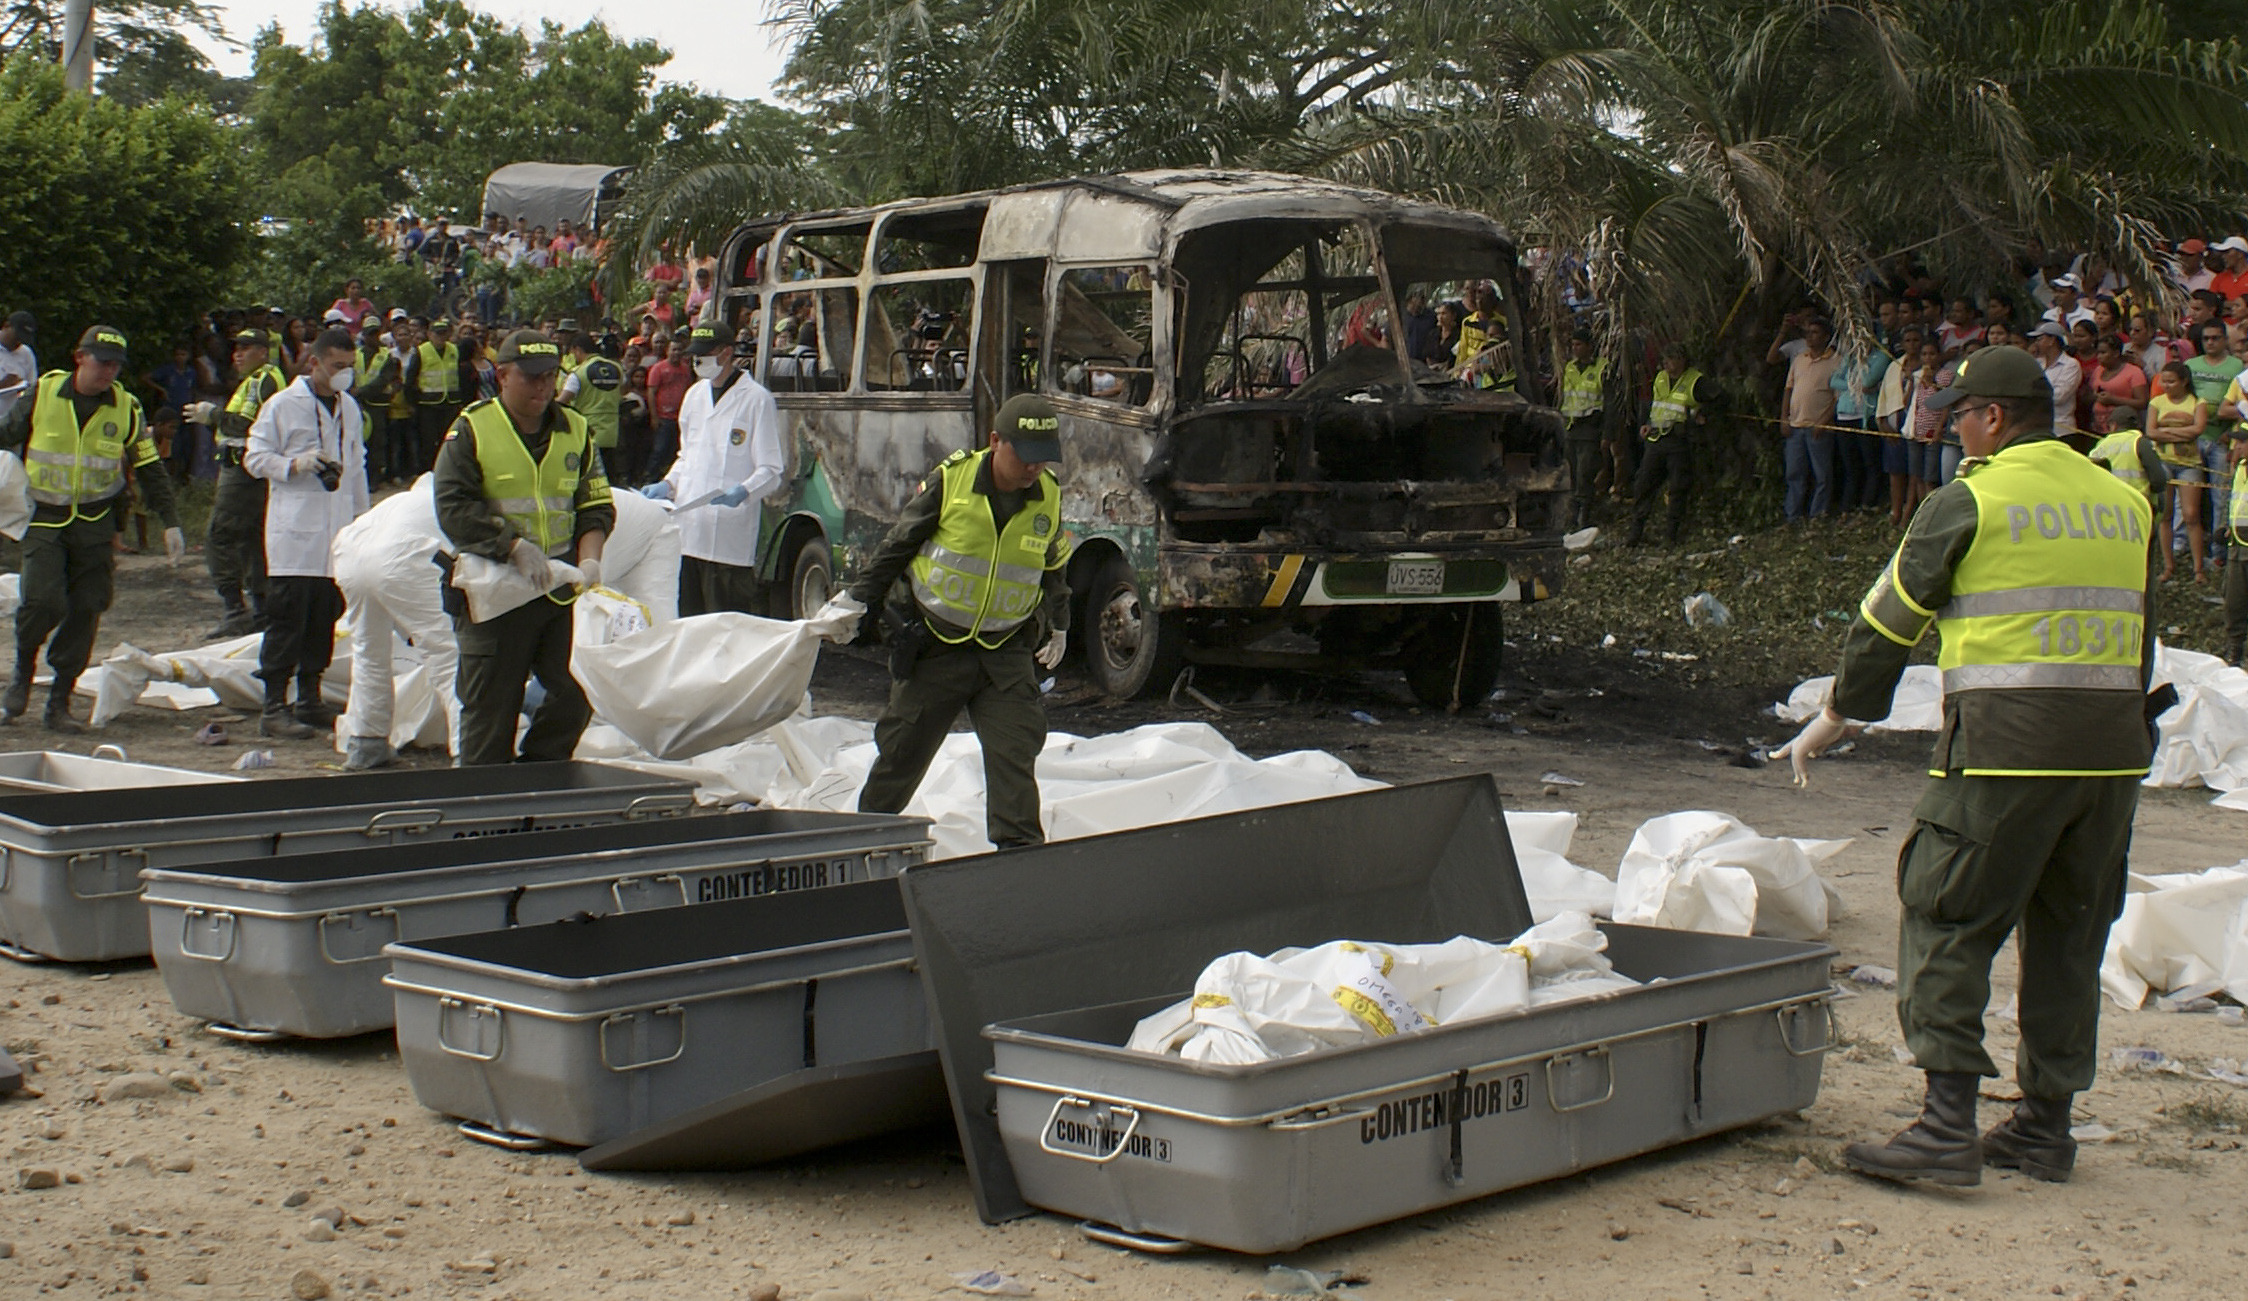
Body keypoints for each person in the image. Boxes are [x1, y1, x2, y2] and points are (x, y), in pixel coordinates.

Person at [1781, 344, 2157, 1189]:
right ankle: (2044, 1127)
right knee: (2070, 934)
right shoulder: (2123, 503)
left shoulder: (1971, 500)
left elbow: (1887, 620)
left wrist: (1840, 714)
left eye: (1959, 417)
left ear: (1991, 419)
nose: (1954, 431)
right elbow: (2142, 636)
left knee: (1946, 914)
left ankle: (1947, 1127)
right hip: (2110, 759)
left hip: (2003, 753)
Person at [814, 395, 1071, 848]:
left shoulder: (1047, 494)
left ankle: (1021, 866)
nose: (1033, 469)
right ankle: (861, 846)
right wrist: (857, 599)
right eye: (1024, 457)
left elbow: (1053, 566)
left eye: (1042, 459)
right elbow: (899, 544)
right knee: (901, 755)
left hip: (1005, 652)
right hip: (936, 646)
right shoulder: (952, 483)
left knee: (1016, 755)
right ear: (996, 442)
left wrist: (1060, 624)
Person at [433, 330, 613, 766]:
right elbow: (453, 506)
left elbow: (595, 504)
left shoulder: (575, 429)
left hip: (555, 589)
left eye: (551, 377)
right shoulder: (473, 428)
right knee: (490, 710)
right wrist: (511, 546)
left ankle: (538, 780)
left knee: (575, 692)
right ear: (502, 375)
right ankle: (483, 811)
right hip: (494, 593)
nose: (543, 387)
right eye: (531, 378)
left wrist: (590, 560)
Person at [0, 326, 184, 731]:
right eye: (102, 362)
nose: (109, 372)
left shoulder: (127, 408)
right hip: (45, 519)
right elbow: (4, 435)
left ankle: (59, 702)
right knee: (43, 601)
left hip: (96, 523)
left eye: (116, 365)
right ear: (79, 357)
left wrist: (169, 522)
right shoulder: (43, 394)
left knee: (88, 606)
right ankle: (21, 675)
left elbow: (149, 465)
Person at [243, 328, 369, 739]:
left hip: (336, 531)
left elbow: (357, 468)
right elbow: (254, 457)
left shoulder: (349, 407)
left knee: (323, 617)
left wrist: (363, 524)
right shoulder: (282, 405)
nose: (343, 375)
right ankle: (274, 705)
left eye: (349, 368)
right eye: (336, 367)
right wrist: (295, 465)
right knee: (287, 619)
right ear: (313, 362)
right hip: (294, 535)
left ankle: (309, 697)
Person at [639, 322, 784, 614]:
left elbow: (771, 470)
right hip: (688, 532)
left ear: (727, 353)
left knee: (722, 623)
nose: (698, 361)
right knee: (687, 619)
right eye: (696, 355)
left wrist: (743, 491)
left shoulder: (757, 400)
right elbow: (687, 456)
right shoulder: (693, 395)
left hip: (728, 538)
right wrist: (668, 484)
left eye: (706, 354)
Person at [190, 329, 285, 638]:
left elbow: (248, 425)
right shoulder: (256, 381)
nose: (238, 355)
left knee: (220, 535)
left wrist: (212, 414)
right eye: (236, 349)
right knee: (252, 539)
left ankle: (235, 608)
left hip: (244, 470)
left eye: (247, 348)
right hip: (247, 467)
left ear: (263, 351)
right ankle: (261, 608)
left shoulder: (264, 380)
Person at [1628, 342, 1707, 545]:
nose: (1665, 363)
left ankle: (1671, 535)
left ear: (1681, 360)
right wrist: (1647, 424)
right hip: (1656, 440)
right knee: (1643, 486)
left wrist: (1699, 415)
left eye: (1670, 359)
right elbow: (1655, 405)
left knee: (1677, 489)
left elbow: (1717, 400)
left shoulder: (1695, 380)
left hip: (1679, 442)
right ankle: (1635, 534)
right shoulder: (1661, 378)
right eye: (1664, 359)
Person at [2147, 361, 2210, 582]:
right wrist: (2182, 433)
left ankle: (2198, 567)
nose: (2166, 385)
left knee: (2191, 514)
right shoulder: (2156, 402)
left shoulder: (2197, 402)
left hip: (2189, 463)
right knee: (2165, 515)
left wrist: (2166, 432)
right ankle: (2168, 566)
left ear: (2184, 381)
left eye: (2171, 381)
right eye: (2164, 381)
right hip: (2163, 461)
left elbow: (2198, 429)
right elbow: (2150, 431)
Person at [1779, 316, 1841, 520]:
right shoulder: (1799, 359)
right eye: (1807, 333)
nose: (1809, 337)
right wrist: (1784, 418)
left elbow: (1836, 397)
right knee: (1794, 473)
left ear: (1825, 337)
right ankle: (1792, 515)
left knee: (1822, 474)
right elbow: (1788, 390)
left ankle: (1818, 514)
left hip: (1818, 426)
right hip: (1795, 424)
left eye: (1814, 333)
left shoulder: (1836, 361)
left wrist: (1824, 421)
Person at [1556, 329, 1613, 530]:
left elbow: (1610, 403)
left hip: (1590, 428)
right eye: (1573, 345)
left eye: (1578, 344)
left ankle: (1584, 516)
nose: (1574, 348)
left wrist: (1607, 433)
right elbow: (1565, 398)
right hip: (1571, 428)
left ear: (1589, 346)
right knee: (1571, 474)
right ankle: (1571, 517)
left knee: (1585, 473)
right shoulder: (1570, 368)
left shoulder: (1602, 368)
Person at [560, 331, 627, 492]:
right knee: (610, 480)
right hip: (612, 432)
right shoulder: (617, 368)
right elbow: (623, 391)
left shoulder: (578, 373)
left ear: (577, 349)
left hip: (588, 432)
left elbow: (563, 400)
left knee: (589, 481)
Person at [403, 317, 463, 474]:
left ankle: (447, 470)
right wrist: (412, 403)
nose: (440, 337)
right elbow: (410, 380)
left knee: (448, 439)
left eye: (443, 334)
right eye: (437, 334)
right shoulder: (421, 351)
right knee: (428, 441)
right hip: (428, 404)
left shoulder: (454, 350)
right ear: (429, 334)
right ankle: (428, 472)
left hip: (450, 402)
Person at [644, 336, 692, 480]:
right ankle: (649, 477)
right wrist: (654, 416)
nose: (676, 353)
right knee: (659, 450)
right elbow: (651, 392)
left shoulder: (686, 369)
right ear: (668, 351)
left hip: (679, 417)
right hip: (662, 418)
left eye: (679, 350)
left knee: (674, 451)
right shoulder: (658, 368)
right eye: (673, 349)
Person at [0, 311, 36, 423]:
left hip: (11, 424)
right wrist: (3, 385)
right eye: (17, 336)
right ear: (6, 326)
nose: (19, 341)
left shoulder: (26, 354)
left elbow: (32, 386)